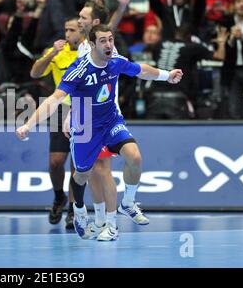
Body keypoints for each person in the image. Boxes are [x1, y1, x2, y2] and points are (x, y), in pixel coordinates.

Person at [17, 24, 183, 240]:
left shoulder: (115, 61)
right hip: (85, 127)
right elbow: (53, 100)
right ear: (92, 44)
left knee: (134, 157)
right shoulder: (79, 69)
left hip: (111, 121)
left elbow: (140, 70)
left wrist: (166, 75)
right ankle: (78, 209)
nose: (109, 44)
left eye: (111, 39)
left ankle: (128, 203)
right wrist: (28, 125)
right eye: (103, 41)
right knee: (82, 174)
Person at [75, 0, 151, 231]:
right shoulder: (82, 50)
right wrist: (70, 116)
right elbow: (73, 89)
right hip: (87, 120)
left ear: (95, 23)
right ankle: (99, 220)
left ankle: (113, 217)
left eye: (83, 17)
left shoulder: (104, 45)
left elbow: (110, 27)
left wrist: (123, 7)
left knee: (121, 162)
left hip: (109, 117)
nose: (79, 20)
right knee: (94, 170)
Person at [30, 17, 80, 229]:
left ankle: (73, 207)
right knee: (56, 162)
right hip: (60, 109)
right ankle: (59, 197)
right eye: (65, 29)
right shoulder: (56, 52)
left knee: (77, 164)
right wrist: (51, 54)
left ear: (82, 31)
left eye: (72, 30)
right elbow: (35, 73)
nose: (67, 34)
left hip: (84, 108)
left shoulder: (89, 50)